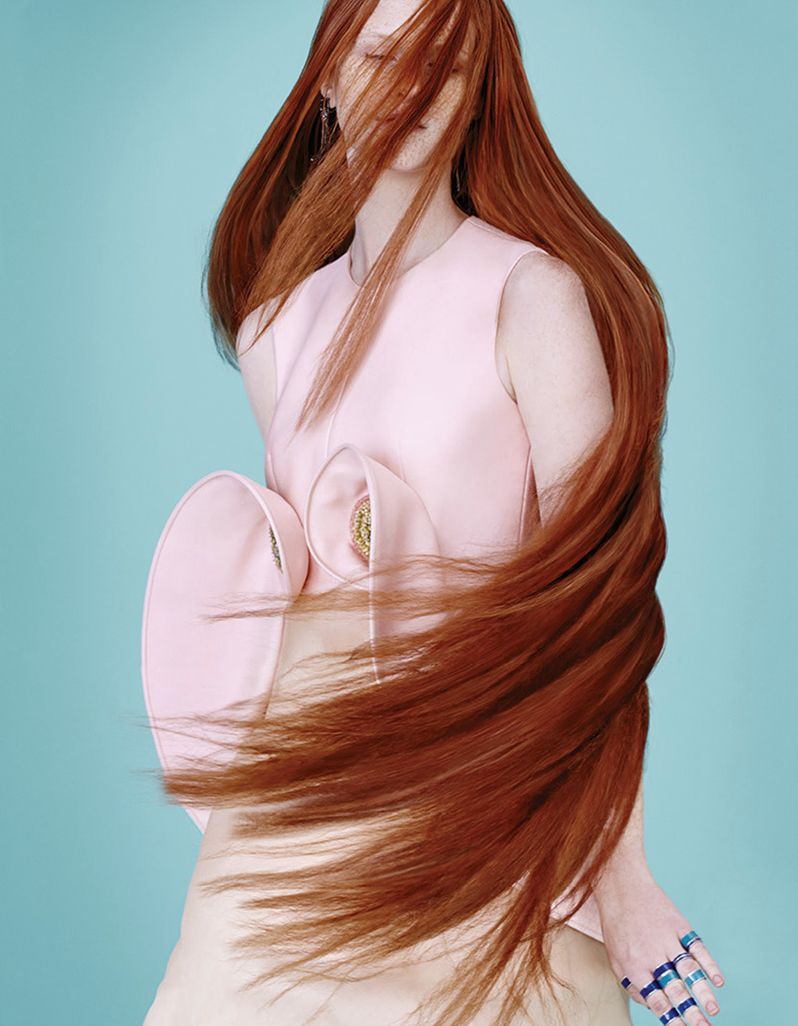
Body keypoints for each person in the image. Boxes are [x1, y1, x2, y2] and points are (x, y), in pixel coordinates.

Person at [140, 1, 726, 1024]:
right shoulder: (276, 326)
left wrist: (625, 883)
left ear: (476, 92)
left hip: (483, 792)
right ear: (328, 79)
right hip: (300, 812)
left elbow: (602, 612)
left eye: (441, 66)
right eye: (378, 57)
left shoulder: (534, 297)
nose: (408, 88)